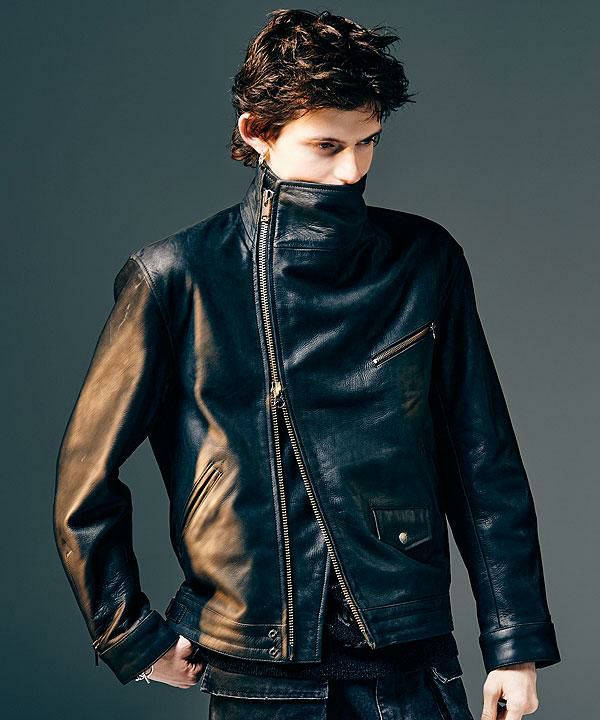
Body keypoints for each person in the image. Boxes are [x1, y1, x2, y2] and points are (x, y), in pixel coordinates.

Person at [53, 8, 560, 719]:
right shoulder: (177, 277)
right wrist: (131, 637)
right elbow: (85, 481)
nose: (351, 170)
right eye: (326, 145)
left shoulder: (425, 260)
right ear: (256, 132)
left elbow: (484, 463)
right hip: (255, 660)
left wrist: (514, 646)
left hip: (407, 652)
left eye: (367, 142)